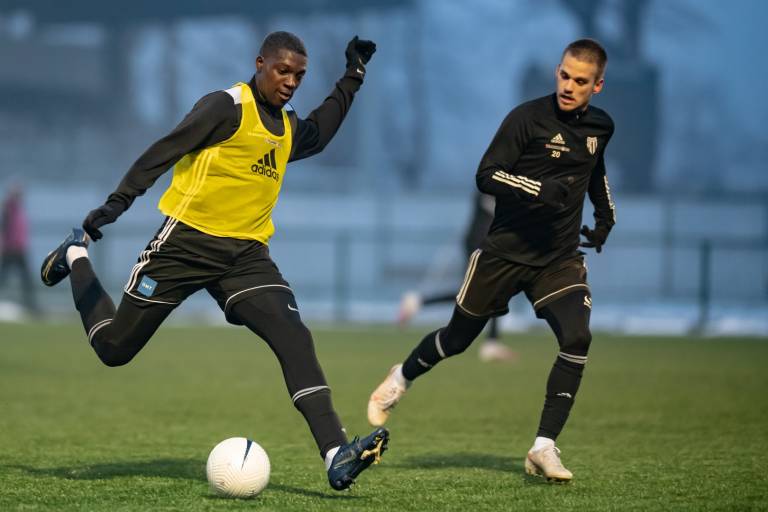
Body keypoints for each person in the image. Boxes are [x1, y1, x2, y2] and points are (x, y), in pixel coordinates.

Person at [40, 31, 387, 491]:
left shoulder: (286, 127)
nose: (290, 82)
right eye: (283, 71)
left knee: (294, 337)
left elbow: (320, 132)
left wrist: (353, 76)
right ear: (260, 63)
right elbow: (163, 151)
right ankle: (75, 255)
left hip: (246, 258)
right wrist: (111, 208)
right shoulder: (226, 107)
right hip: (184, 246)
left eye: (299, 75)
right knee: (114, 349)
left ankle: (335, 453)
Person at [368, 38, 615, 482]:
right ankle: (401, 377)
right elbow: (486, 174)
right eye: (564, 75)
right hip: (504, 253)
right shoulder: (526, 118)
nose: (568, 86)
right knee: (456, 340)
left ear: (597, 86)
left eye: (580, 81)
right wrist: (538, 189)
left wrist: (605, 217)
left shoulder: (602, 127)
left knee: (577, 338)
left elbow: (593, 170)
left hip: (557, 258)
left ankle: (543, 447)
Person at [397, 191, 517, 362]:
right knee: (486, 290)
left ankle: (417, 302)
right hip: (481, 243)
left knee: (489, 291)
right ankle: (491, 343)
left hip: (487, 242)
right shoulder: (493, 183)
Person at [1, 184, 38, 313]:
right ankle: (32, 306)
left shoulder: (18, 208)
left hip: (19, 249)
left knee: (26, 280)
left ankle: (32, 306)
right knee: (5, 278)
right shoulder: (8, 209)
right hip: (11, 250)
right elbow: (4, 228)